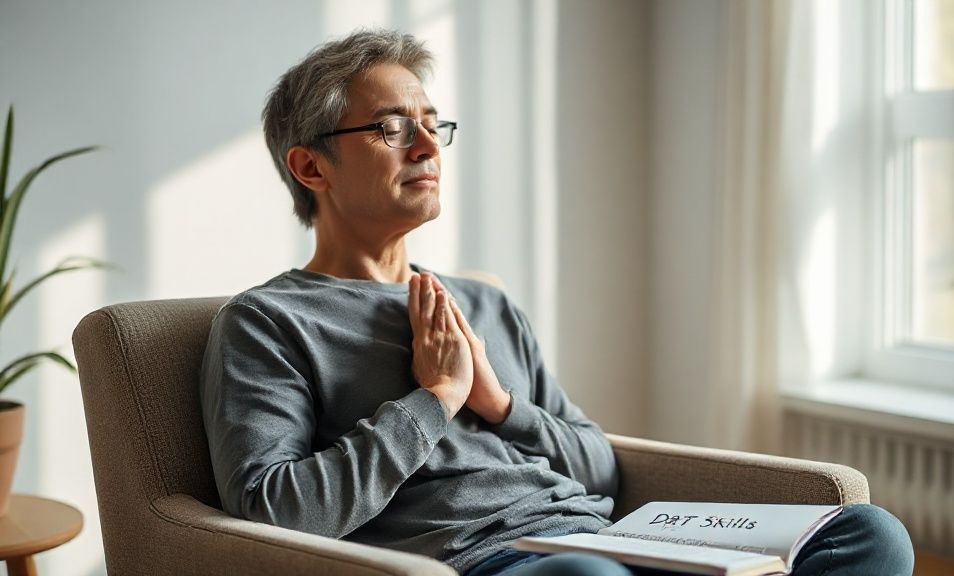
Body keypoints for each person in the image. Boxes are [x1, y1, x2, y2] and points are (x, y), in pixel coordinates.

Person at [199, 29, 914, 576]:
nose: (427, 146)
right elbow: (277, 509)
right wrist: (436, 400)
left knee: (870, 533)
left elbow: (600, 469)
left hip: (609, 536)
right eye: (391, 127)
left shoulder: (483, 303)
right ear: (310, 165)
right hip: (495, 560)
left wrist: (498, 403)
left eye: (432, 124)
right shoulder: (268, 322)